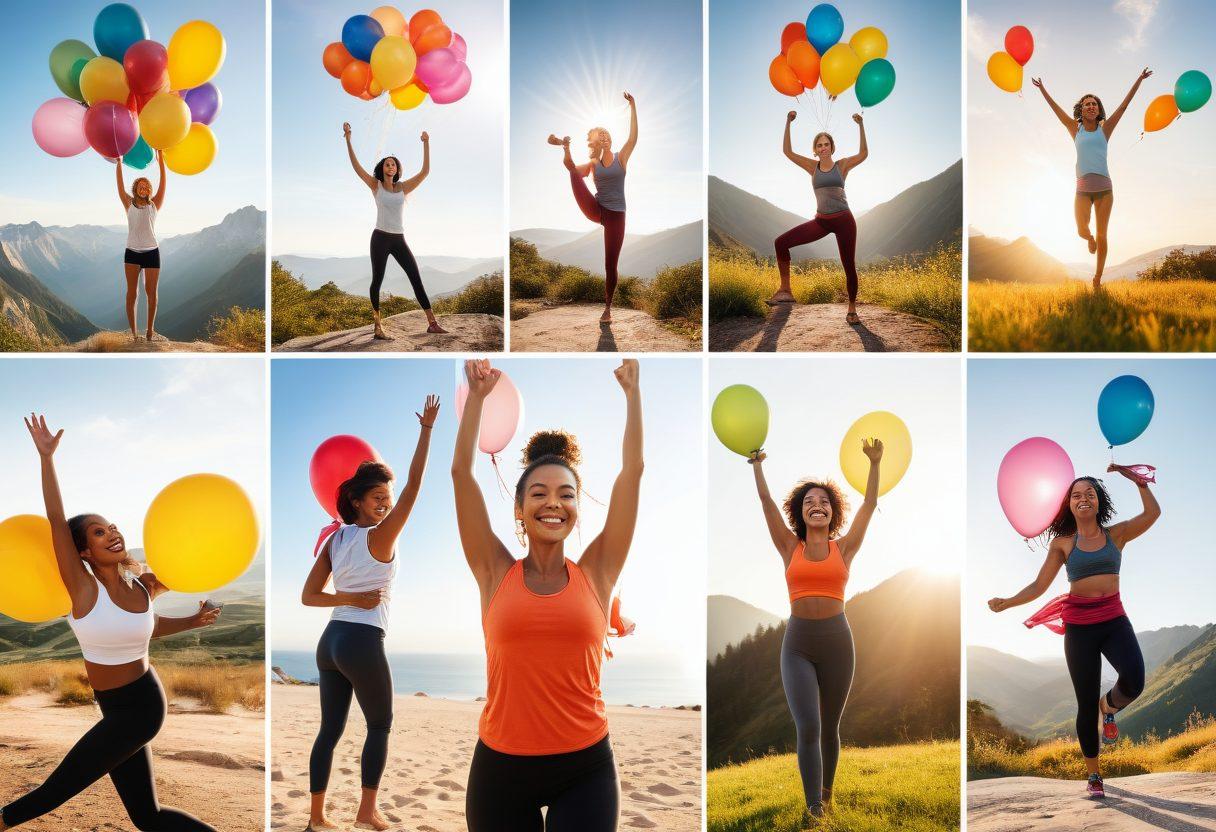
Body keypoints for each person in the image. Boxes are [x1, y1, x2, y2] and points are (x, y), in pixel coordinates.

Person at [1, 415, 221, 830]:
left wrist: (192, 620)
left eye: (113, 527)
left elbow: (147, 630)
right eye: (99, 533)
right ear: (83, 550)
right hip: (114, 706)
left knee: (53, 791)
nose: (112, 534)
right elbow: (54, 518)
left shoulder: (139, 586)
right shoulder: (82, 590)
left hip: (141, 707)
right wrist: (46, 458)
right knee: (148, 818)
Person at [452, 358, 643, 830]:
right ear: (519, 510)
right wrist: (476, 399)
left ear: (578, 506)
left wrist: (632, 394)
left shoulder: (599, 573)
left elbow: (633, 472)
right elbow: (461, 475)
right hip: (500, 768)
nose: (553, 503)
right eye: (538, 494)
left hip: (585, 767)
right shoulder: (492, 571)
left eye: (566, 494)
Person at [301, 396, 440, 831]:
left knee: (330, 731)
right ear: (358, 501)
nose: (386, 504)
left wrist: (346, 599)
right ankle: (365, 811)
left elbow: (309, 597)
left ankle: (317, 818)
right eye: (378, 498)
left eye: (388, 498)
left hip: (330, 644)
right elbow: (416, 487)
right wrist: (427, 430)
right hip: (361, 641)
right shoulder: (380, 538)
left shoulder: (336, 540)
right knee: (380, 724)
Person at [988, 467, 1159, 797]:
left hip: (1113, 620)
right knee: (1083, 704)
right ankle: (1094, 776)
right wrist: (1008, 602)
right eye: (1076, 495)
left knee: (1135, 679)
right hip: (1080, 629)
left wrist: (1138, 482)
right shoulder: (1063, 544)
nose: (1083, 498)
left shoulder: (1117, 534)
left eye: (1089, 494)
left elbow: (1153, 513)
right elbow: (1039, 585)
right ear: (1068, 504)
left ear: (1099, 502)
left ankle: (1108, 707)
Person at [746, 439, 883, 820]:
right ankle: (814, 809)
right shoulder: (789, 546)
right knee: (808, 724)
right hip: (799, 646)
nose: (817, 505)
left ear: (832, 511)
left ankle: (827, 792)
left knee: (831, 727)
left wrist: (874, 463)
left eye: (823, 501)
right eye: (809, 502)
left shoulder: (846, 547)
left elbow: (870, 505)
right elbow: (765, 503)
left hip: (839, 642)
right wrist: (756, 464)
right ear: (801, 513)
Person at [1031, 69, 1151, 288]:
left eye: (1094, 103)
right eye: (1087, 104)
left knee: (1103, 234)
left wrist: (1139, 80)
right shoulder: (1074, 129)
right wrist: (1043, 90)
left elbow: (1124, 106)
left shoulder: (1105, 129)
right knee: (1082, 230)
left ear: (1098, 109)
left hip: (1105, 189)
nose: (1091, 106)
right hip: (1083, 189)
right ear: (1081, 109)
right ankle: (1089, 239)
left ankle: (1097, 278)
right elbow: (1056, 110)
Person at [343, 122, 448, 338]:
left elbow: (425, 171)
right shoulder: (376, 185)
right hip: (380, 238)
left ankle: (432, 322)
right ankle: (377, 326)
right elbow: (356, 167)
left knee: (415, 278)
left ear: (397, 170)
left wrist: (426, 143)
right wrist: (348, 139)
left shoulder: (403, 188)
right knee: (377, 281)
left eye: (393, 165)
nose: (390, 167)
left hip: (399, 239)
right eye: (387, 164)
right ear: (382, 169)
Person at [547, 92, 638, 323]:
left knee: (610, 264)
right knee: (573, 174)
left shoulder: (622, 158)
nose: (605, 137)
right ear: (596, 142)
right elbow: (570, 167)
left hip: (617, 215)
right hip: (597, 209)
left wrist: (633, 106)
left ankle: (607, 308)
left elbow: (633, 137)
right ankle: (564, 144)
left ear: (610, 139)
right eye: (601, 136)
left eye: (607, 134)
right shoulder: (593, 164)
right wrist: (565, 148)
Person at [770, 112, 868, 324]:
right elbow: (787, 151)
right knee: (781, 242)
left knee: (848, 264)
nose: (823, 148)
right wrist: (788, 121)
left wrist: (861, 124)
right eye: (819, 145)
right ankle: (785, 290)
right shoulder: (811, 167)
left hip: (844, 221)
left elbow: (863, 153)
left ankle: (852, 309)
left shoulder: (842, 165)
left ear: (832, 147)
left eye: (826, 144)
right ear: (815, 150)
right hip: (821, 221)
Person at [116, 152, 167, 342]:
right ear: (136, 188)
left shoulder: (155, 205)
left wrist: (161, 158)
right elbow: (119, 186)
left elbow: (163, 182)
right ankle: (134, 333)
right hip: (132, 252)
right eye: (140, 186)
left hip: (152, 252)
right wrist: (118, 163)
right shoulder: (128, 203)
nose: (144, 188)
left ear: (150, 190)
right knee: (132, 293)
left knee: (151, 293)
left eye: (147, 186)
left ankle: (150, 331)